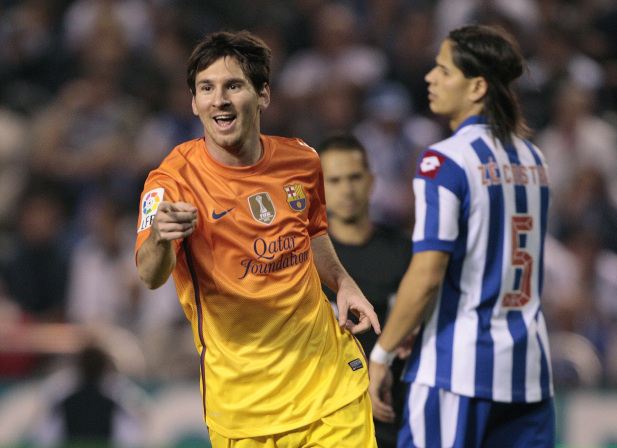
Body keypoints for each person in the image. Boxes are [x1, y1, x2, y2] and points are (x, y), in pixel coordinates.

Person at [134, 30, 381, 447]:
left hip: (331, 386)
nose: (220, 99)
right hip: (244, 411)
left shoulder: (302, 159)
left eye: (233, 85)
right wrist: (160, 236)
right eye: (206, 88)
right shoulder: (172, 181)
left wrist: (343, 282)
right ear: (194, 103)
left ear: (262, 94)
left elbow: (313, 231)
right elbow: (149, 274)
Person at [368, 24, 555, 448]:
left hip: (456, 371)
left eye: (443, 70)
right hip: (528, 374)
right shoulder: (534, 158)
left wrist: (381, 354)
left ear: (477, 87)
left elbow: (429, 272)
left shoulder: (444, 161)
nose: (430, 78)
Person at [318, 134, 412, 448]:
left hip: (395, 412)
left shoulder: (404, 251)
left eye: (355, 177)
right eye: (334, 180)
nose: (346, 189)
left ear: (371, 181)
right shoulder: (303, 259)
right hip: (327, 418)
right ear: (319, 188)